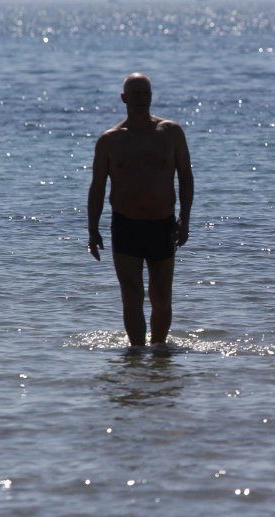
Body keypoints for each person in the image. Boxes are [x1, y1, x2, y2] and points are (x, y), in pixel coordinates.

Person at [87, 73, 194, 353]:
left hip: (162, 223)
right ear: (124, 98)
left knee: (161, 297)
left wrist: (185, 218)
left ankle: (158, 352)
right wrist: (92, 228)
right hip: (125, 225)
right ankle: (136, 355)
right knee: (131, 296)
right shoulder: (110, 140)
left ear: (151, 96)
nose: (140, 99)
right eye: (134, 94)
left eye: (145, 93)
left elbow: (185, 176)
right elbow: (97, 187)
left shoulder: (170, 132)